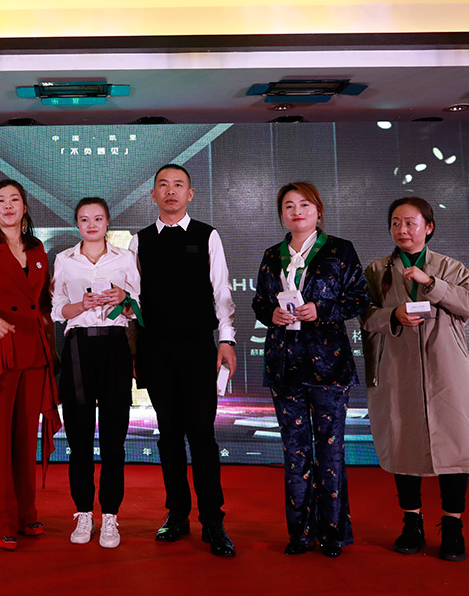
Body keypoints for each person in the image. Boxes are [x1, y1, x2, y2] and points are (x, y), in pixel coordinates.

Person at [251, 182, 369, 558]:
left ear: (318, 211)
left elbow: (360, 298)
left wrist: (323, 309)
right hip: (284, 365)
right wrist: (270, 313)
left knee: (330, 451)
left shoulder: (339, 250)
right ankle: (300, 533)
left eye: (304, 205)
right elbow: (259, 301)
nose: (296, 211)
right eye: (288, 206)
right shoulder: (272, 255)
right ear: (281, 214)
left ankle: (333, 533)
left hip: (329, 364)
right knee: (295, 451)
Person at [361, 197, 469, 562]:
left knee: (454, 444)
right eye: (396, 223)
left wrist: (432, 283)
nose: (403, 230)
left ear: (428, 227)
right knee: (403, 440)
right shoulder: (377, 271)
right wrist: (393, 315)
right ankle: (411, 522)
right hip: (397, 366)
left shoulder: (450, 267)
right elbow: (364, 315)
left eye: (410, 223)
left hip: (446, 366)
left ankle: (453, 526)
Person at [129, 163, 237, 557]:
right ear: (153, 194)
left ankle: (213, 519)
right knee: (169, 434)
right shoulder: (139, 241)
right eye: (163, 185)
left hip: (197, 346)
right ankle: (177, 514)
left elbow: (221, 291)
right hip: (156, 347)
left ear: (190, 194)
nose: (170, 191)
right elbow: (132, 299)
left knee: (202, 434)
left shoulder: (208, 235)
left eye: (178, 185)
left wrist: (226, 340)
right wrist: (135, 349)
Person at [0, 178, 60, 550]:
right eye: (0, 200)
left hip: (33, 350)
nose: (7, 205)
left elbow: (43, 302)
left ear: (24, 208)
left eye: (14, 199)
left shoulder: (37, 249)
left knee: (25, 438)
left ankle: (25, 514)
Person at [51, 197, 140, 548]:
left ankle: (111, 516)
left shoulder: (125, 258)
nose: (92, 225)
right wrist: (80, 305)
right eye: (85, 219)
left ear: (107, 223)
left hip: (116, 345)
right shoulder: (64, 259)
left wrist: (123, 299)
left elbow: (138, 307)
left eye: (98, 218)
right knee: (79, 437)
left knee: (114, 437)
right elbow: (57, 309)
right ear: (77, 224)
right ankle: (84, 512)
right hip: (78, 347)